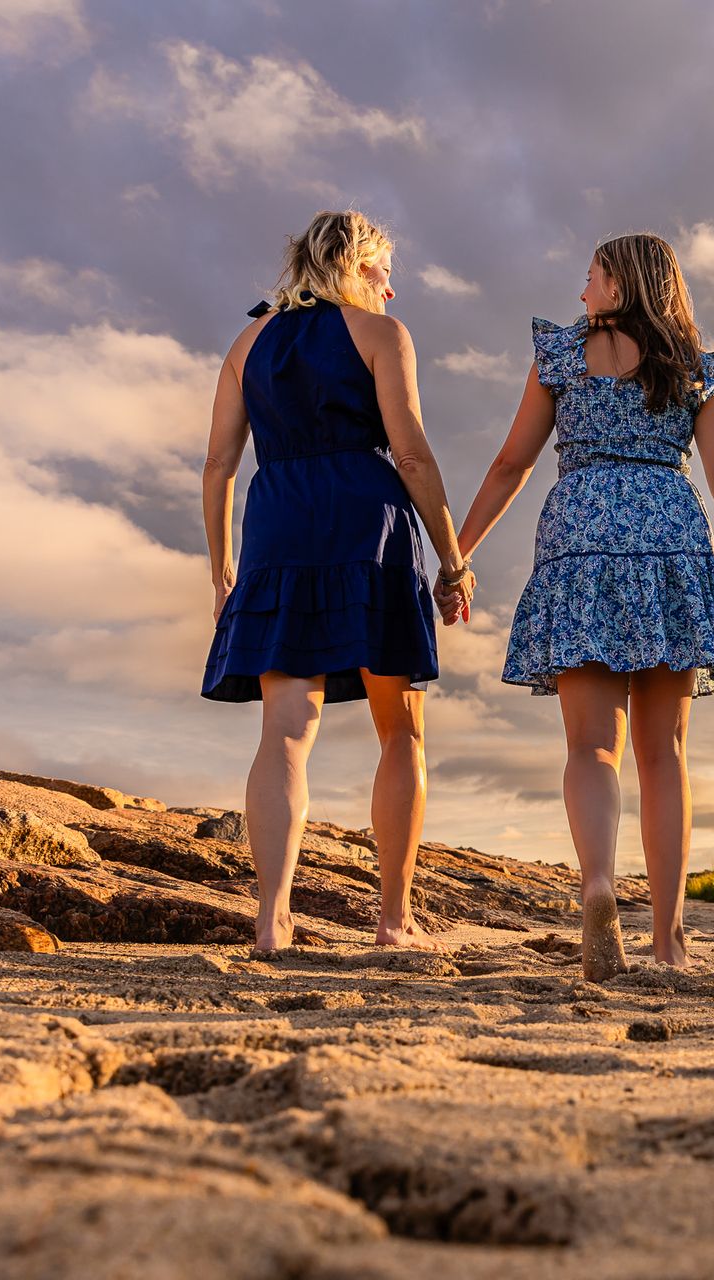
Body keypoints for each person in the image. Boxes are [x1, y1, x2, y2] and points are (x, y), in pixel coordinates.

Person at [454, 233, 714, 981]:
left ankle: (599, 884)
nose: (581, 293)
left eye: (590, 278)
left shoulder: (559, 356)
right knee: (664, 752)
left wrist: (459, 553)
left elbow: (510, 463)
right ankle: (668, 939)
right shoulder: (692, 366)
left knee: (590, 747)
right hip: (669, 537)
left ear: (619, 284)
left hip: (580, 539)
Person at [202, 210, 474, 953]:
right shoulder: (382, 335)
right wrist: (454, 562)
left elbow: (220, 465)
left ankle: (272, 919)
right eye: (384, 271)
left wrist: (223, 573)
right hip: (368, 527)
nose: (391, 288)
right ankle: (394, 920)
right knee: (402, 731)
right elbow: (411, 455)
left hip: (278, 528)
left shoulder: (248, 343)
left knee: (285, 731)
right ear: (354, 266)